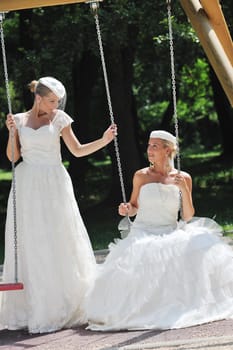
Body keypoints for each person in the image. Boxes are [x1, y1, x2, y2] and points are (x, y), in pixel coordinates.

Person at [0, 76, 117, 334]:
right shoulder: (18, 120)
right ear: (38, 97)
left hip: (54, 181)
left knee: (61, 235)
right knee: (32, 240)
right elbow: (13, 157)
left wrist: (104, 140)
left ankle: (67, 303)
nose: (56, 106)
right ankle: (36, 307)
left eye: (58, 102)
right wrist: (11, 132)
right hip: (27, 182)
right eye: (52, 101)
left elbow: (76, 151)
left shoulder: (60, 119)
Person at [85, 130, 233, 331]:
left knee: (197, 246)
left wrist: (184, 190)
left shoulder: (184, 178)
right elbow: (134, 205)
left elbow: (188, 216)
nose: (150, 150)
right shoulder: (141, 176)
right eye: (148, 145)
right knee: (139, 259)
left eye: (155, 146)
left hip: (170, 231)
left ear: (168, 149)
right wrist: (127, 209)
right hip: (143, 231)